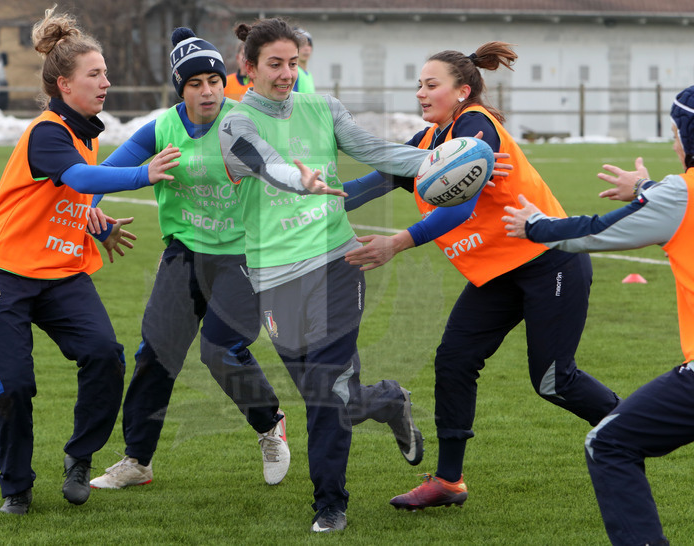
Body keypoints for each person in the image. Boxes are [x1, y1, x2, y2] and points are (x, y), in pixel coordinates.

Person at [340, 42, 621, 510]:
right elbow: (377, 180)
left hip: (548, 261)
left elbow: (462, 206)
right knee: (453, 360)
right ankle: (449, 482)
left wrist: (398, 242)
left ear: (462, 91)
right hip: (500, 273)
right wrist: (314, 198)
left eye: (431, 85)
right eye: (418, 85)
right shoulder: (432, 142)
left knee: (554, 381)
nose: (420, 94)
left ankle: (638, 425)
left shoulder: (475, 125)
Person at [0, 6, 181, 515]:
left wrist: (92, 221)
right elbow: (80, 180)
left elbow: (66, 196)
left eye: (105, 72)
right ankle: (15, 488)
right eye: (96, 74)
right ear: (65, 85)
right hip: (4, 275)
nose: (106, 81)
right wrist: (141, 176)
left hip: (60, 275)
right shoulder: (47, 132)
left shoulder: (86, 134)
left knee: (105, 355)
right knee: (14, 384)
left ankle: (79, 459)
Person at [218, 17, 429, 533]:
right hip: (273, 277)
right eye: (275, 64)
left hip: (337, 263)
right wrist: (302, 180)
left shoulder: (323, 107)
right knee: (330, 397)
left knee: (325, 393)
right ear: (248, 68)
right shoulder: (234, 124)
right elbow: (265, 163)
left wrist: (436, 159)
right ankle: (389, 401)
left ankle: (330, 505)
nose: (287, 73)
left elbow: (374, 150)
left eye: (293, 63)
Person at [88, 27, 290, 490]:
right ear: (182, 88)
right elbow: (105, 174)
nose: (208, 91)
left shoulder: (246, 123)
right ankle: (138, 461)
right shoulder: (162, 128)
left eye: (215, 82)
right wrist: (88, 212)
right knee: (154, 354)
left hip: (244, 256)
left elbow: (286, 177)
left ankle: (269, 425)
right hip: (184, 255)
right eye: (196, 83)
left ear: (225, 83)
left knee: (221, 351)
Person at [501, 86, 694, 546]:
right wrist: (648, 190)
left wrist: (536, 227)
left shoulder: (681, 194)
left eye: (675, 134)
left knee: (609, 443)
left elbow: (600, 231)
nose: (673, 145)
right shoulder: (675, 194)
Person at [292, 28, 315, 93]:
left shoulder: (309, 74)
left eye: (309, 45)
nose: (306, 49)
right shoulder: (293, 72)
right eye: (302, 45)